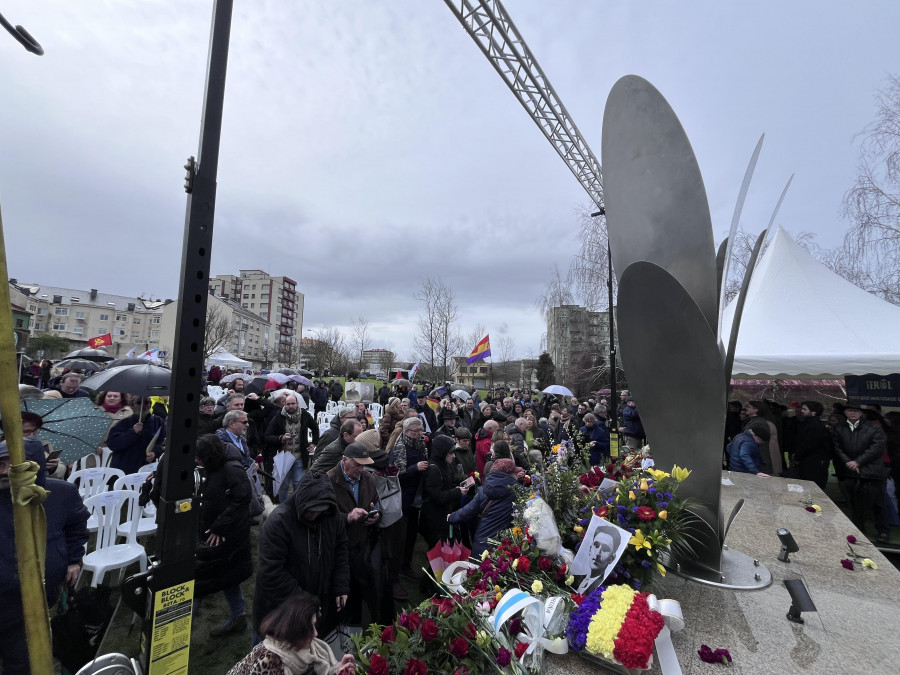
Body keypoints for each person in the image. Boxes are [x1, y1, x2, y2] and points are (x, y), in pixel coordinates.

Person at [1, 440, 89, 674]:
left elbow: (76, 527)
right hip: (4, 596)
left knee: (22, 662)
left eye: (13, 464)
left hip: (36, 600)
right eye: (1, 462)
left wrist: (72, 558)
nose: (5, 470)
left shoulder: (61, 493)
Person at [254, 472, 350, 644]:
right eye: (310, 511)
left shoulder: (331, 517)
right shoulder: (278, 523)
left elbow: (341, 550)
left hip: (316, 610)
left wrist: (341, 586)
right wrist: (308, 604)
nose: (314, 516)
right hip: (281, 612)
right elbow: (271, 572)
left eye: (319, 512)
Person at [194, 434, 253, 638]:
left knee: (205, 576)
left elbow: (243, 498)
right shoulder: (215, 466)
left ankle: (180, 626)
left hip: (227, 534)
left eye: (200, 457)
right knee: (226, 576)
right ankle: (238, 616)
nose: (197, 461)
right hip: (217, 531)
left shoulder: (231, 468)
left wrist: (220, 526)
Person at [327, 443, 388, 625]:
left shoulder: (367, 478)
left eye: (364, 465)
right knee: (345, 593)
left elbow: (376, 502)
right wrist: (347, 517)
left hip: (364, 545)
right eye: (357, 465)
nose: (361, 469)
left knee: (366, 588)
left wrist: (376, 514)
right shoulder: (329, 480)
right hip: (341, 548)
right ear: (345, 460)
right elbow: (324, 516)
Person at [228, 593, 355, 675]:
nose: (315, 634)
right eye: (308, 628)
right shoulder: (268, 663)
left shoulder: (306, 648)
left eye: (314, 625)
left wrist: (337, 671)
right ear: (295, 631)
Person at [833, 402, 890, 543]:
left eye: (855, 411)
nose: (852, 413)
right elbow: (837, 446)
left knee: (877, 501)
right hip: (849, 470)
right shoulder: (840, 428)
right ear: (845, 412)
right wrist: (848, 462)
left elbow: (877, 447)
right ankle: (858, 528)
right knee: (853, 501)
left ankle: (883, 530)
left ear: (861, 413)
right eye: (849, 410)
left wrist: (858, 462)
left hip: (871, 470)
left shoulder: (874, 427)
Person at [447, 458, 518, 559]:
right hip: (507, 547)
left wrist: (452, 517)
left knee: (481, 572)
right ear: (509, 474)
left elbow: (467, 511)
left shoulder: (483, 492)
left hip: (483, 544)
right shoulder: (518, 493)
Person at [391, 417, 429, 578]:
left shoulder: (420, 445)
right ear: (407, 432)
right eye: (416, 431)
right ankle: (397, 569)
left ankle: (407, 565)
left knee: (412, 534)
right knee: (401, 536)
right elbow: (394, 475)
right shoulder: (399, 447)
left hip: (417, 498)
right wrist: (415, 468)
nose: (419, 434)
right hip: (403, 498)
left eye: (420, 430)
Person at [266, 393, 319, 502]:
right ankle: (283, 509)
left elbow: (315, 427)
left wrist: (314, 443)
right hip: (284, 456)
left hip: (299, 454)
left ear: (297, 403)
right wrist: (281, 438)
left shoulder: (304, 414)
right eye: (288, 404)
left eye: (293, 404)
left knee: (298, 484)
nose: (290, 406)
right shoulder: (279, 416)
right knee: (284, 485)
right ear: (284, 404)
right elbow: (267, 436)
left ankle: (297, 507)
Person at [419, 436, 467, 550]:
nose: (453, 456)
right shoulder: (433, 469)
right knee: (438, 551)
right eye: (451, 453)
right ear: (442, 452)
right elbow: (437, 496)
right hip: (434, 518)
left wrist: (458, 487)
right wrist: (457, 492)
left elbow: (446, 486)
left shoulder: (445, 465)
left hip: (443, 515)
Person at [107, 394, 166, 474]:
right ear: (132, 406)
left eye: (146, 402)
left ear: (150, 405)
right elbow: (113, 444)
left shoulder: (158, 422)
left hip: (147, 470)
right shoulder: (123, 424)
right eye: (139, 403)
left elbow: (162, 442)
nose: (143, 406)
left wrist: (155, 452)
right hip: (124, 470)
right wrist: (132, 432)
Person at [791, 401, 832, 489]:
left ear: (814, 412)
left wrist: (797, 456)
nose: (801, 411)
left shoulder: (815, 426)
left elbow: (809, 444)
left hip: (813, 462)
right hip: (809, 461)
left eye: (804, 409)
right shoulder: (808, 423)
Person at [576, 524, 622, 594]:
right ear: (590, 549)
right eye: (596, 545)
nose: (598, 553)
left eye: (605, 549)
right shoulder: (575, 578)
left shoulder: (603, 591)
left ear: (611, 559)